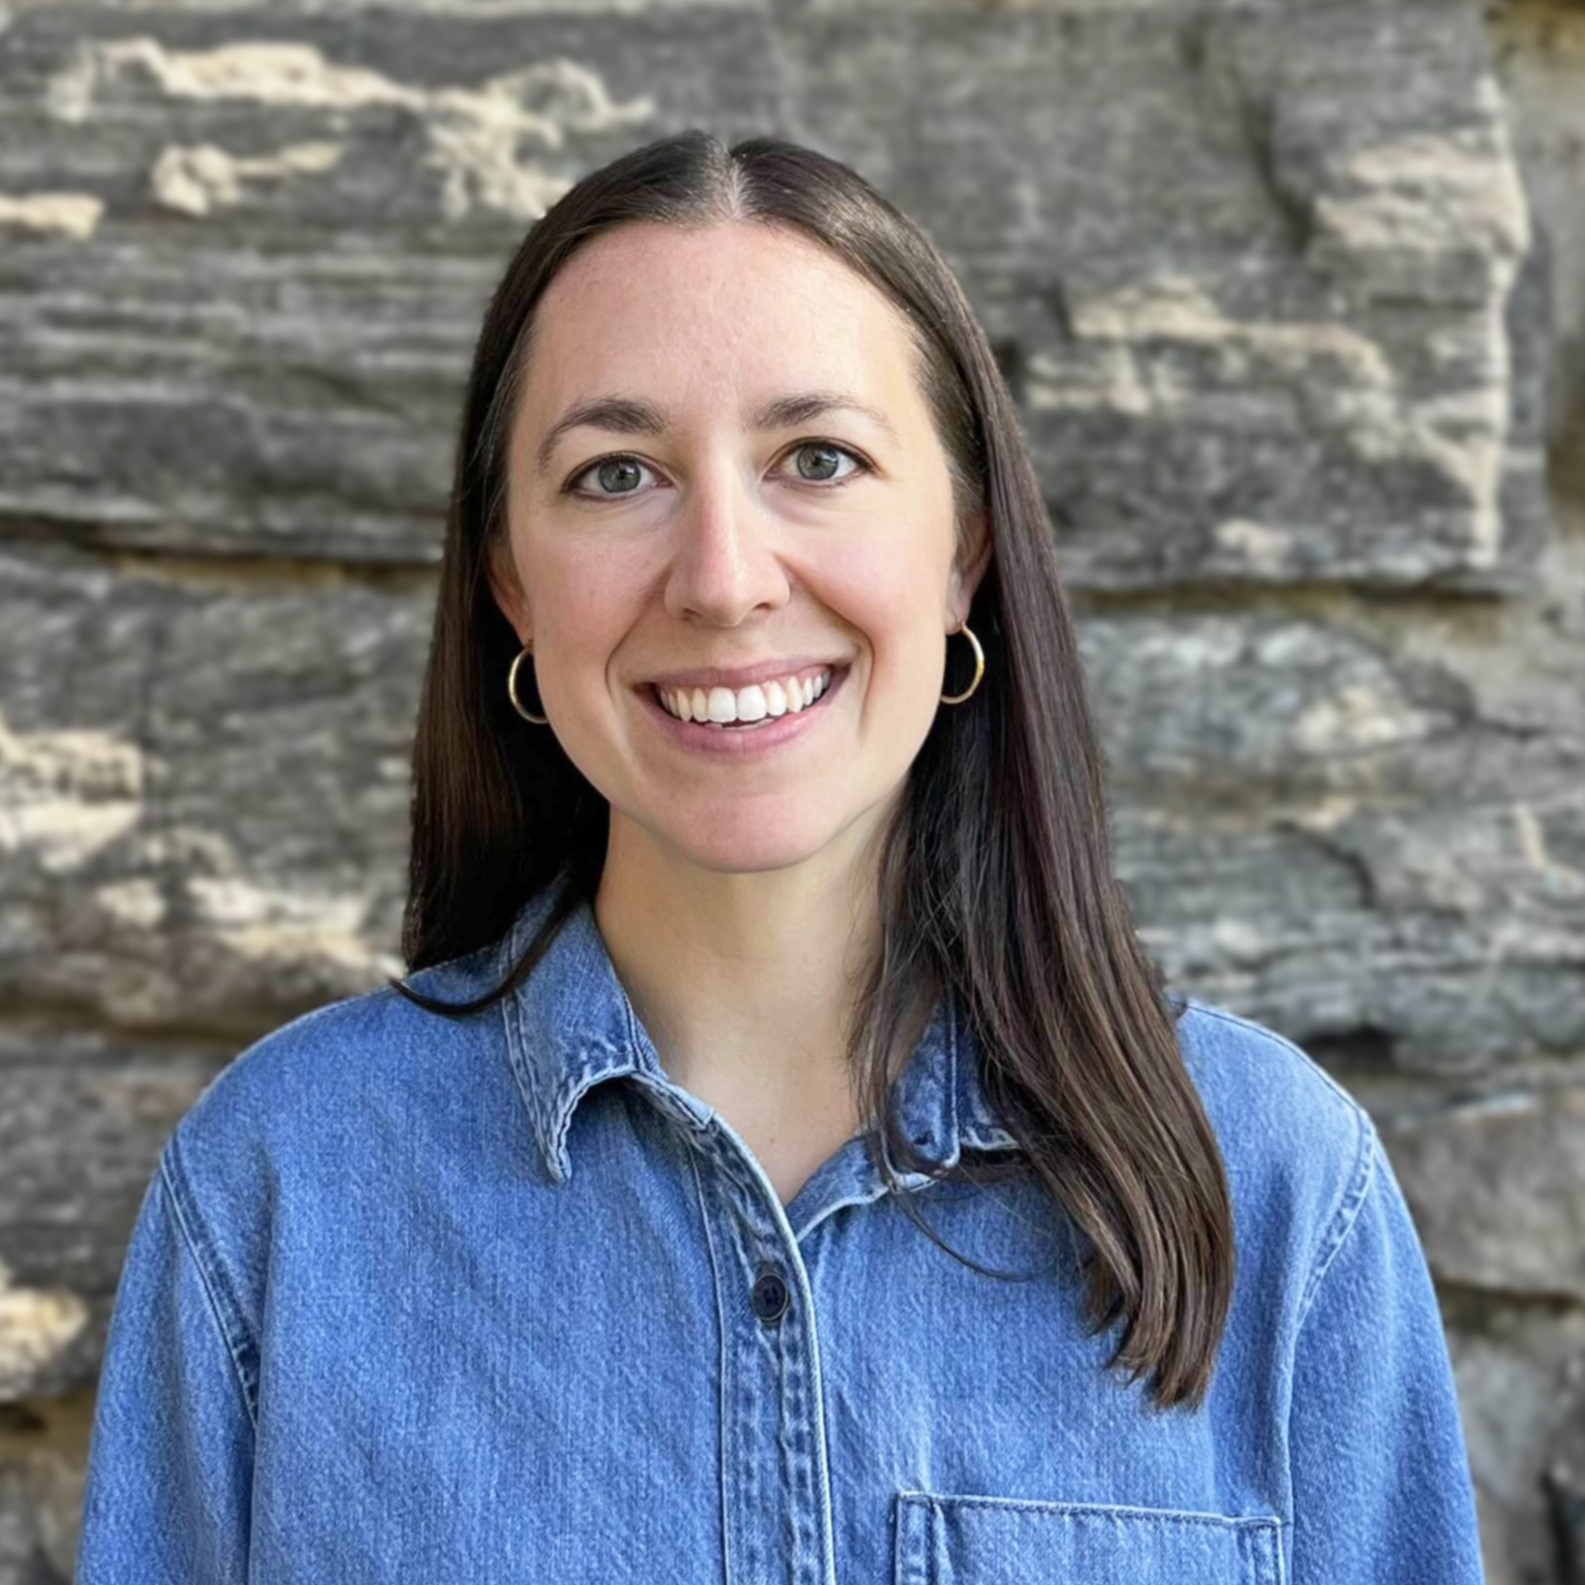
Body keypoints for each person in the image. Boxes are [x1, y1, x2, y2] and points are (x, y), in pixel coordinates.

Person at [73, 129, 1487, 1584]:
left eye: (819, 458)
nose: (725, 579)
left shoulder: (1274, 1185)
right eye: (617, 474)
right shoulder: (282, 1191)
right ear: (510, 580)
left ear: (962, 552)